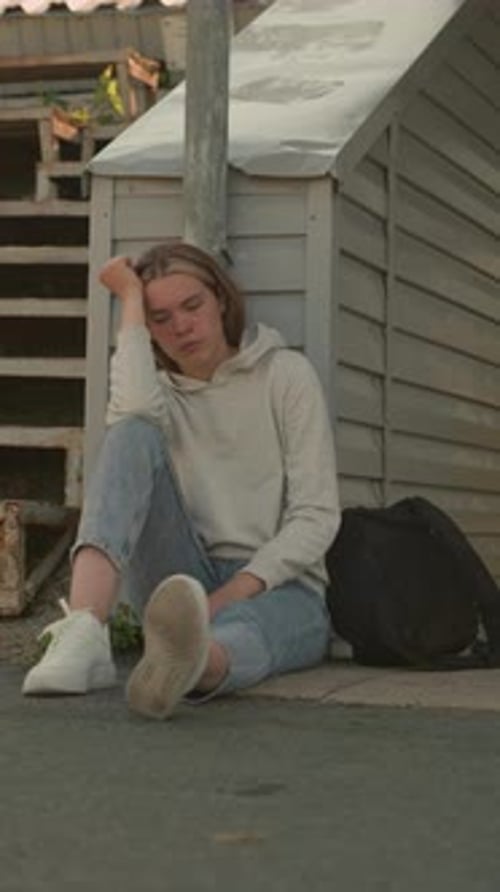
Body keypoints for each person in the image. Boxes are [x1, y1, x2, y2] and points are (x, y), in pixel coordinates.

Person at [22, 241, 340, 719]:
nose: (181, 327)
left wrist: (224, 599)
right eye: (160, 317)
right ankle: (85, 630)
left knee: (252, 632)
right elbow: (131, 416)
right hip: (178, 579)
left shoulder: (286, 375)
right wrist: (128, 299)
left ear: (222, 300)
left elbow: (316, 514)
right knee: (130, 430)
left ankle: (192, 665)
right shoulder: (157, 396)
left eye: (192, 306)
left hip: (278, 584)